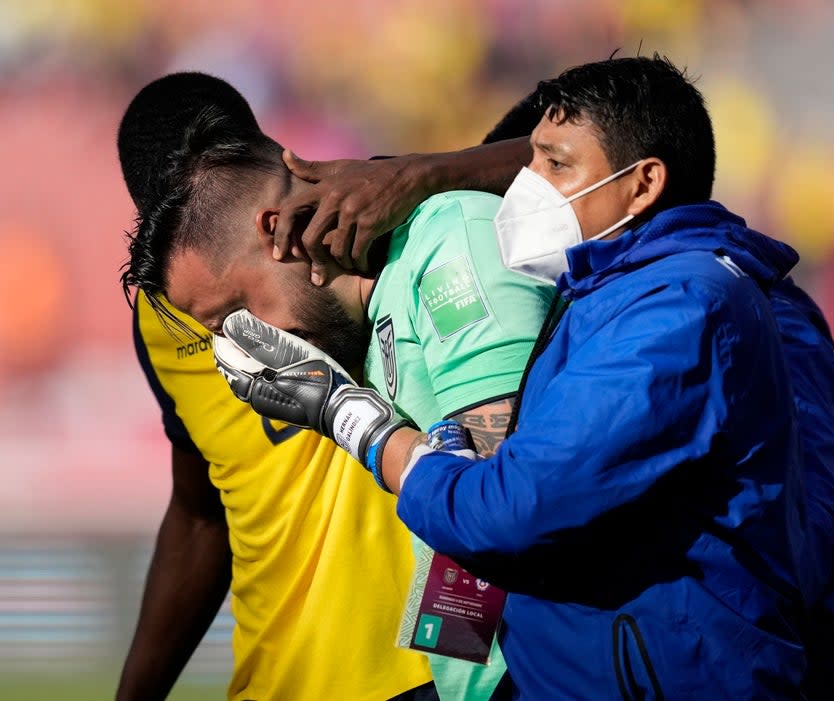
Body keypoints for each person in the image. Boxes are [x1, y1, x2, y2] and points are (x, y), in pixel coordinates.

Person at [213, 54, 834, 699]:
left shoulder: (689, 308)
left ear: (643, 184)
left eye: (555, 164)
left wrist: (354, 421)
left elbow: (513, 508)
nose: (525, 188)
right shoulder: (602, 297)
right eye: (527, 161)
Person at [118, 72, 560, 701]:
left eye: (230, 315)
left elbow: (599, 164)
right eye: (214, 325)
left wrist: (420, 173)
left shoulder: (386, 216)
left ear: (278, 230)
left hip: (419, 673)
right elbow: (198, 513)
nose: (236, 347)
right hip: (282, 680)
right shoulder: (173, 315)